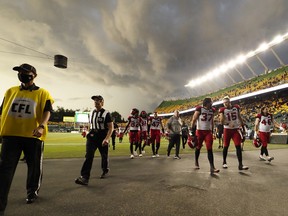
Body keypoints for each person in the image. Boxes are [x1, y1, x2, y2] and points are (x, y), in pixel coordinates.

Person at [0, 63, 54, 214]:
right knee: (4, 171)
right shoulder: (10, 91)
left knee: (34, 166)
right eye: (19, 72)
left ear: (34, 75)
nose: (21, 74)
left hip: (33, 136)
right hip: (10, 135)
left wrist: (42, 126)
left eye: (25, 72)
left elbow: (47, 111)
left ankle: (32, 191)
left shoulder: (43, 93)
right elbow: (2, 112)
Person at [75, 95, 113, 185]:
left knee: (104, 155)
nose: (96, 102)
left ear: (102, 102)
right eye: (95, 100)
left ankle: (105, 170)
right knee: (89, 156)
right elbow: (89, 124)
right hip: (92, 135)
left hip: (102, 135)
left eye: (98, 100)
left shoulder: (106, 113)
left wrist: (107, 139)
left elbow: (111, 128)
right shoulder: (91, 112)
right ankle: (84, 177)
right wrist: (86, 131)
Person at [219, 96, 248, 170]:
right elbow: (221, 121)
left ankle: (240, 165)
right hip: (227, 130)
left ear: (229, 102)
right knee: (226, 146)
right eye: (224, 103)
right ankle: (224, 162)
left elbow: (239, 117)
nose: (225, 104)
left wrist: (243, 128)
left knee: (238, 146)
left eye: (226, 102)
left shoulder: (236, 107)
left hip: (235, 129)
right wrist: (228, 124)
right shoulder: (222, 110)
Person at [191, 98, 219, 174]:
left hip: (208, 132)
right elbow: (194, 119)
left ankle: (212, 167)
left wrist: (213, 131)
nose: (212, 104)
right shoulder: (199, 109)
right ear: (207, 103)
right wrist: (192, 131)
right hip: (199, 131)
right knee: (198, 147)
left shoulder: (212, 110)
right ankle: (196, 161)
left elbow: (212, 121)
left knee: (210, 149)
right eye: (211, 102)